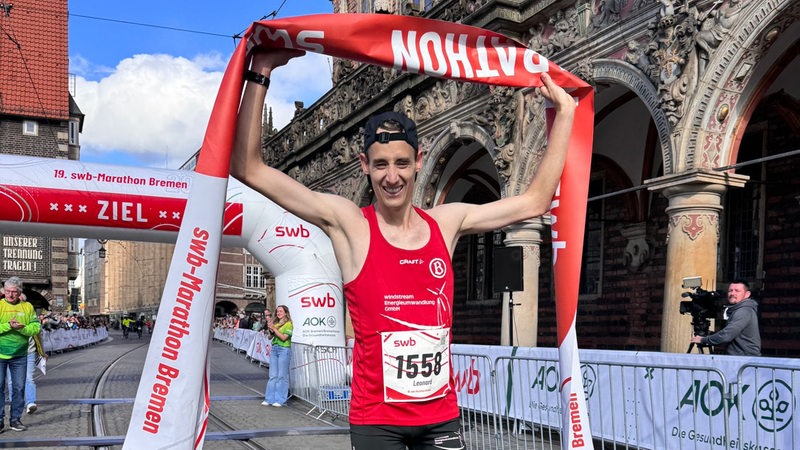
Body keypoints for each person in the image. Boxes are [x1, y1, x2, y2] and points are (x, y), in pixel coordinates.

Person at [232, 49, 575, 449]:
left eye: (401, 163)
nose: (391, 177)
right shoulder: (349, 224)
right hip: (377, 423)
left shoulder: (447, 222)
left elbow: (534, 201)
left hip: (441, 418)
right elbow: (248, 167)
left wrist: (564, 114)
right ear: (364, 164)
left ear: (418, 162)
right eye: (380, 165)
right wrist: (260, 72)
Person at [0, 277, 41, 432]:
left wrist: (22, 329)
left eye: (14, 292)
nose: (10, 295)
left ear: (19, 292)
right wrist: (8, 326)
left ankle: (15, 419)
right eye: (7, 291)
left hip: (20, 355)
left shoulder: (27, 307)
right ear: (4, 291)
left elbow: (36, 327)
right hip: (0, 354)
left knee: (18, 388)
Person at [691, 279, 761, 356]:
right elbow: (735, 335)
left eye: (737, 291)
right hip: (739, 358)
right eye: (730, 291)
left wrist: (703, 340)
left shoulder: (743, 311)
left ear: (747, 294)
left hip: (743, 360)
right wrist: (712, 334)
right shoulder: (738, 309)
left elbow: (726, 335)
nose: (732, 293)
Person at [261, 305, 292, 407]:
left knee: (282, 376)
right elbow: (270, 337)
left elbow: (284, 338)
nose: (278, 313)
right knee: (273, 375)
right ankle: (269, 398)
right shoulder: (276, 323)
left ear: (286, 313)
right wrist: (270, 329)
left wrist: (274, 329)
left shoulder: (289, 324)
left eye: (280, 311)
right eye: (277, 311)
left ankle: (280, 400)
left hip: (284, 349)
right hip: (274, 349)